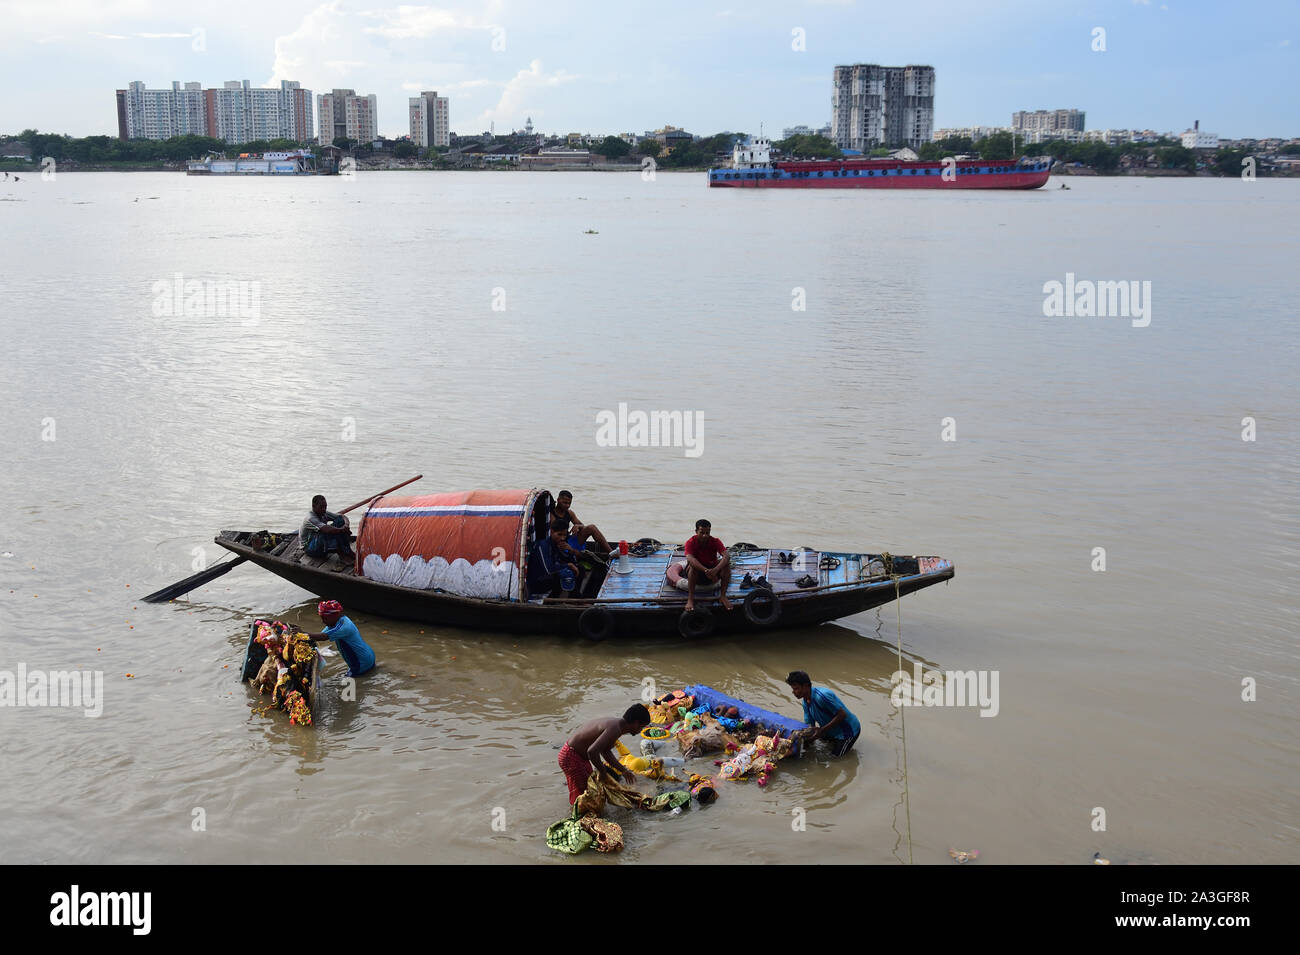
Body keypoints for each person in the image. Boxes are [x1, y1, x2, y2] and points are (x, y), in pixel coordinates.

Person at [558, 704, 652, 804]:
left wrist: (624, 770)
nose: (640, 730)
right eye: (641, 727)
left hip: (577, 756)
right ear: (636, 723)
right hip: (571, 756)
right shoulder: (614, 728)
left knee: (589, 789)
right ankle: (578, 816)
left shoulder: (617, 725)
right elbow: (592, 751)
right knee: (584, 796)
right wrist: (603, 773)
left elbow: (605, 751)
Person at [786, 670, 861, 757]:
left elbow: (842, 715)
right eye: (793, 689)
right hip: (830, 730)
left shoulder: (822, 696)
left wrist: (822, 730)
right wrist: (804, 740)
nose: (793, 692)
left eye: (796, 688)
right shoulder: (805, 702)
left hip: (848, 732)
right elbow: (810, 725)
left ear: (806, 686)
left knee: (834, 758)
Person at [294, 600, 375, 678]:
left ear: (335, 616)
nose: (323, 621)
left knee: (347, 682)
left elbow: (323, 637)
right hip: (368, 655)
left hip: (362, 662)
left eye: (325, 618)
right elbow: (319, 635)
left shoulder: (344, 627)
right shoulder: (337, 622)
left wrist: (303, 633)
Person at [683, 519, 733, 612]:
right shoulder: (690, 542)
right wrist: (705, 570)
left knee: (726, 565)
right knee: (693, 566)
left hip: (712, 570)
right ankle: (690, 599)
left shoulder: (715, 541)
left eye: (707, 532)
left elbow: (726, 555)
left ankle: (723, 596)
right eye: (702, 533)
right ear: (696, 531)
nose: (705, 536)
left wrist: (715, 570)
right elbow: (690, 559)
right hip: (698, 572)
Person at [526, 520, 581, 598]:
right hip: (537, 582)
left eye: (564, 535)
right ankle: (553, 600)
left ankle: (575, 597)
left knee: (579, 569)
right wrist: (568, 565)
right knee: (560, 574)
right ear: (552, 532)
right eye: (559, 534)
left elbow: (571, 562)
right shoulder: (543, 545)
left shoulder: (557, 544)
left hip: (548, 578)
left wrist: (570, 551)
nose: (562, 538)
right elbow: (549, 569)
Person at [551, 490, 612, 555]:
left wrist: (578, 526)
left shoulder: (570, 513)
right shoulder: (551, 515)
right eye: (565, 503)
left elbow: (582, 525)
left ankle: (611, 553)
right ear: (558, 500)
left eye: (569, 503)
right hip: (557, 543)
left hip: (568, 539)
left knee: (592, 528)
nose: (567, 506)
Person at [301, 495, 355, 564]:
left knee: (340, 521)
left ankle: (348, 551)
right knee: (330, 531)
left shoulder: (324, 513)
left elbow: (342, 516)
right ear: (314, 506)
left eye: (325, 507)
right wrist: (342, 530)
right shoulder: (310, 518)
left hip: (319, 543)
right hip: (309, 548)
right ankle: (342, 553)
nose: (324, 509)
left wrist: (346, 526)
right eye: (321, 507)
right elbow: (326, 529)